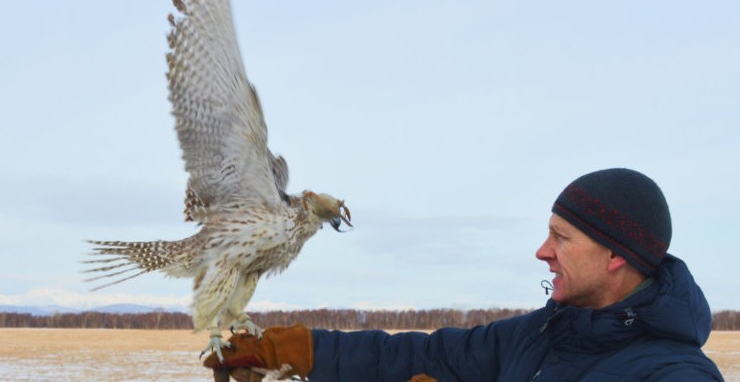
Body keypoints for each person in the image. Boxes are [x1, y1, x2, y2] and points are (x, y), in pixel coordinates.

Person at [204, 168, 724, 381]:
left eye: (561, 237)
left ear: (615, 255)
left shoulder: (675, 375)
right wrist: (299, 351)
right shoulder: (542, 332)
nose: (542, 252)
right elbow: (425, 355)